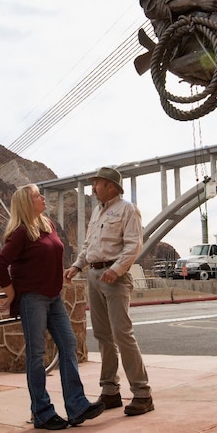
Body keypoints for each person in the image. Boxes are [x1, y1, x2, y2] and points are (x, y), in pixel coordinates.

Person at [0, 184, 106, 430]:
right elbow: (0, 264)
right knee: (36, 355)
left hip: (53, 297)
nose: (42, 197)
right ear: (26, 203)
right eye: (37, 195)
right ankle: (42, 413)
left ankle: (76, 407)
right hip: (32, 298)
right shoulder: (22, 232)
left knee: (68, 344)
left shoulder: (47, 225)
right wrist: (11, 292)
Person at [63, 167, 153, 416]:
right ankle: (110, 390)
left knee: (122, 334)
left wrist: (116, 269)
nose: (94, 188)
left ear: (112, 186)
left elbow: (134, 244)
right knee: (103, 336)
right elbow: (88, 245)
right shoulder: (97, 212)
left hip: (115, 278)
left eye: (98, 183)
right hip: (94, 275)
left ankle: (142, 393)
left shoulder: (127, 209)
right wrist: (76, 266)